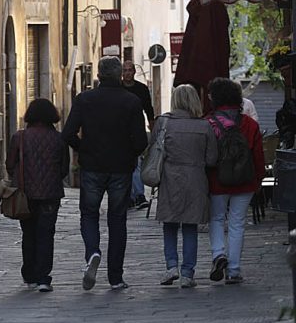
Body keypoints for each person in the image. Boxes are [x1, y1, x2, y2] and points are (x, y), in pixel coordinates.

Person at [62, 56, 148, 291]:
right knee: (118, 220)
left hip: (92, 166)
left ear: (99, 75)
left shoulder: (84, 100)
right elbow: (141, 141)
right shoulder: (131, 101)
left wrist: (84, 148)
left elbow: (67, 133)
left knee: (89, 214)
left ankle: (92, 251)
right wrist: (128, 152)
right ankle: (116, 277)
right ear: (120, 75)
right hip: (121, 168)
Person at [153, 84, 218, 288]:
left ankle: (171, 265)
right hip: (195, 178)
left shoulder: (164, 123)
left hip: (170, 177)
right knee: (190, 226)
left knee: (169, 224)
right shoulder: (204, 126)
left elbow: (153, 149)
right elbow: (212, 159)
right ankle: (188, 273)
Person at [205, 77, 265, 284]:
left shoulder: (208, 122)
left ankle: (218, 254)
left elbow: (206, 156)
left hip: (217, 181)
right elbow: (258, 154)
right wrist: (258, 179)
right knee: (237, 222)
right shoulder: (249, 124)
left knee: (217, 218)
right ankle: (234, 270)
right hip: (245, 180)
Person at [6, 98, 69, 293]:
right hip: (50, 194)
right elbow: (64, 169)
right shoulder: (59, 139)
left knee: (29, 233)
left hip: (26, 194)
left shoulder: (19, 137)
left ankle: (29, 275)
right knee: (46, 234)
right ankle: (44, 278)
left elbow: (10, 164)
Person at [122, 60, 156, 209]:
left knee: (136, 162)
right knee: (126, 164)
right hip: (121, 131)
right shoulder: (118, 88)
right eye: (125, 70)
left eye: (130, 70)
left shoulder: (141, 89)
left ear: (134, 72)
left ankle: (138, 195)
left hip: (136, 130)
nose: (127, 73)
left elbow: (149, 109)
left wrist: (152, 126)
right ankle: (130, 195)